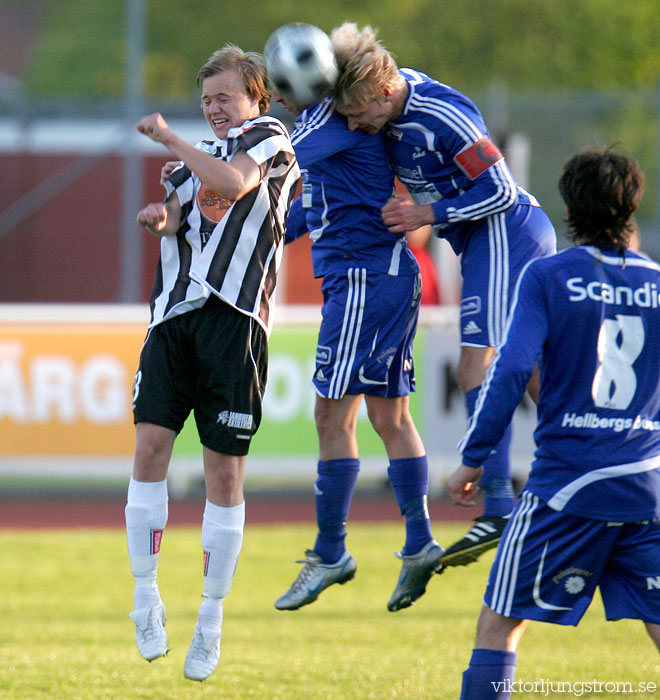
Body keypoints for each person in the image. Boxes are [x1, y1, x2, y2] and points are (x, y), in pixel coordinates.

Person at [330, 23, 557, 567]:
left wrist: (424, 213)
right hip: (483, 243)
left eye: (359, 111)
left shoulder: (440, 113)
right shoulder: (383, 106)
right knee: (530, 372)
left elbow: (501, 189)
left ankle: (499, 505)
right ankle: (589, 453)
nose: (355, 123)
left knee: (475, 366)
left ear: (384, 93)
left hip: (508, 231)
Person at [447, 146, 660, 698]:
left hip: (566, 487)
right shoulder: (657, 283)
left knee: (500, 621)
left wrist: (473, 460)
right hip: (646, 487)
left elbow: (511, 367)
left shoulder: (547, 275)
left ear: (569, 207)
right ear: (631, 205)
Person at [125, 45, 299, 682]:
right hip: (173, 316)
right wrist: (160, 218)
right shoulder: (187, 162)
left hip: (236, 318)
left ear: (256, 97)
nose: (215, 109)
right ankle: (146, 599)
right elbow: (183, 209)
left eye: (224, 97)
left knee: (223, 473)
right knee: (149, 450)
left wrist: (169, 134)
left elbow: (234, 184)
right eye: (207, 101)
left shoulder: (271, 137)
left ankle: (211, 617)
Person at [265, 24, 444, 614]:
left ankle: (330, 550)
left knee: (330, 414)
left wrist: (203, 184)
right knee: (389, 417)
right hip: (386, 275)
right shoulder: (338, 124)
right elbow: (309, 210)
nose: (280, 100)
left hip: (365, 280)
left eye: (283, 88)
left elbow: (273, 166)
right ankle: (419, 543)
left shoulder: (324, 125)